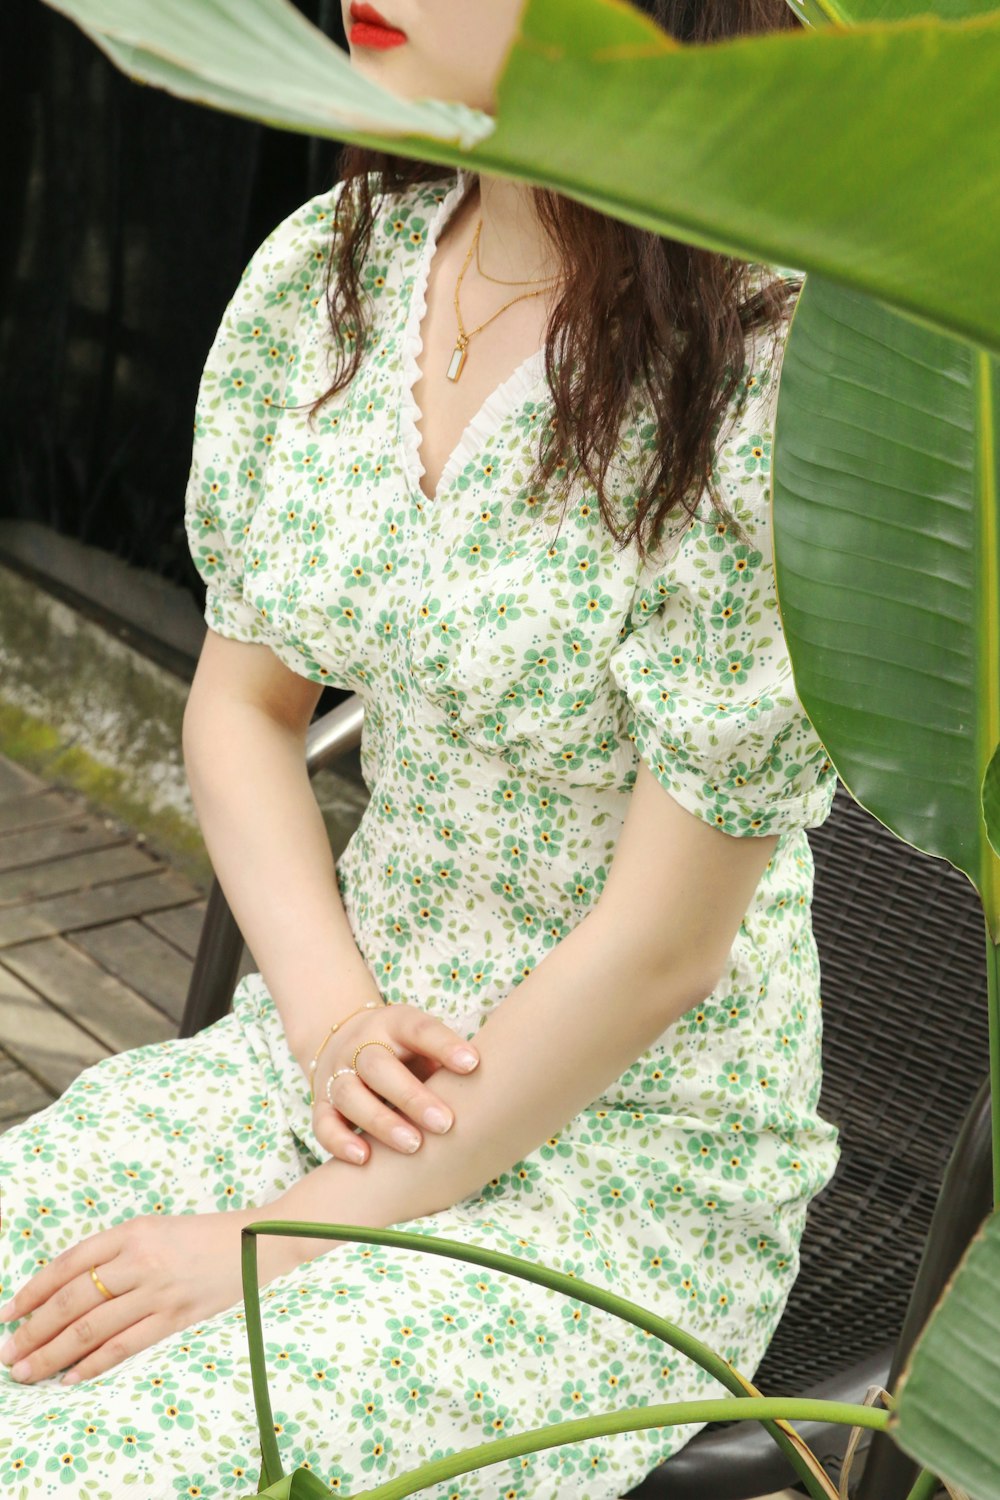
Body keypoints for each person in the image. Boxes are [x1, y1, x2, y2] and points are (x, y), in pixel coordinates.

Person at [0, 1, 841, 1494]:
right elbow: (244, 707)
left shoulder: (770, 374)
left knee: (123, 1459)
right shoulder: (339, 269)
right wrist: (329, 1026)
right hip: (337, 1049)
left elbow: (664, 951)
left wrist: (283, 1240)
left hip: (612, 1156)